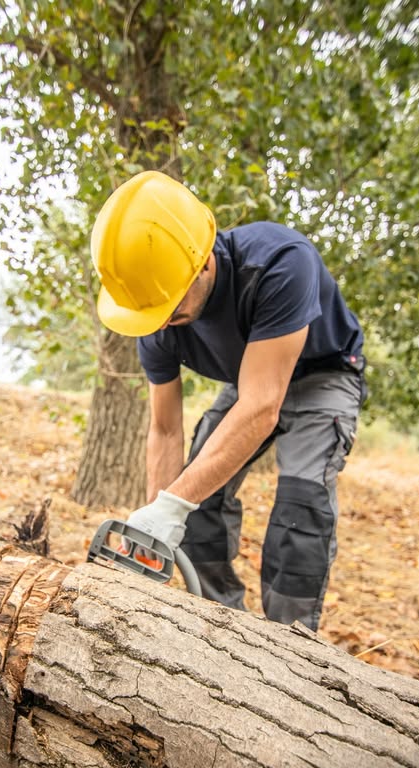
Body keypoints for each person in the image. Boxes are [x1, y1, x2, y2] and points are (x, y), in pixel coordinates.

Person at [90, 170, 366, 631]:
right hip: (250, 380)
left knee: (300, 510)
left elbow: (262, 405)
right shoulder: (154, 316)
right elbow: (164, 429)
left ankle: (289, 645)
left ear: (203, 263)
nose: (164, 326)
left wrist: (174, 501)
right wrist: (158, 516)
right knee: (197, 499)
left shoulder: (279, 262)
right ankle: (223, 628)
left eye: (172, 310)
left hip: (323, 374)